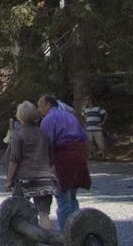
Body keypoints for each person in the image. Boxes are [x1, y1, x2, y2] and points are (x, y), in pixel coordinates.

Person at [38, 94, 91, 231]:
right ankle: (77, 229)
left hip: (62, 158)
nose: (39, 109)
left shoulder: (48, 120)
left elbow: (46, 144)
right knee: (73, 197)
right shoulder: (70, 116)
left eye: (40, 105)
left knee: (62, 199)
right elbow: (85, 137)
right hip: (79, 155)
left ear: (48, 105)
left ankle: (66, 234)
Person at [5, 101, 56, 231]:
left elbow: (14, 159)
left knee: (18, 212)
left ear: (19, 116)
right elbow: (50, 156)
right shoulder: (44, 134)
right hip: (45, 178)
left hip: (24, 178)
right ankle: (47, 240)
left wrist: (9, 179)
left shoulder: (18, 134)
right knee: (44, 214)